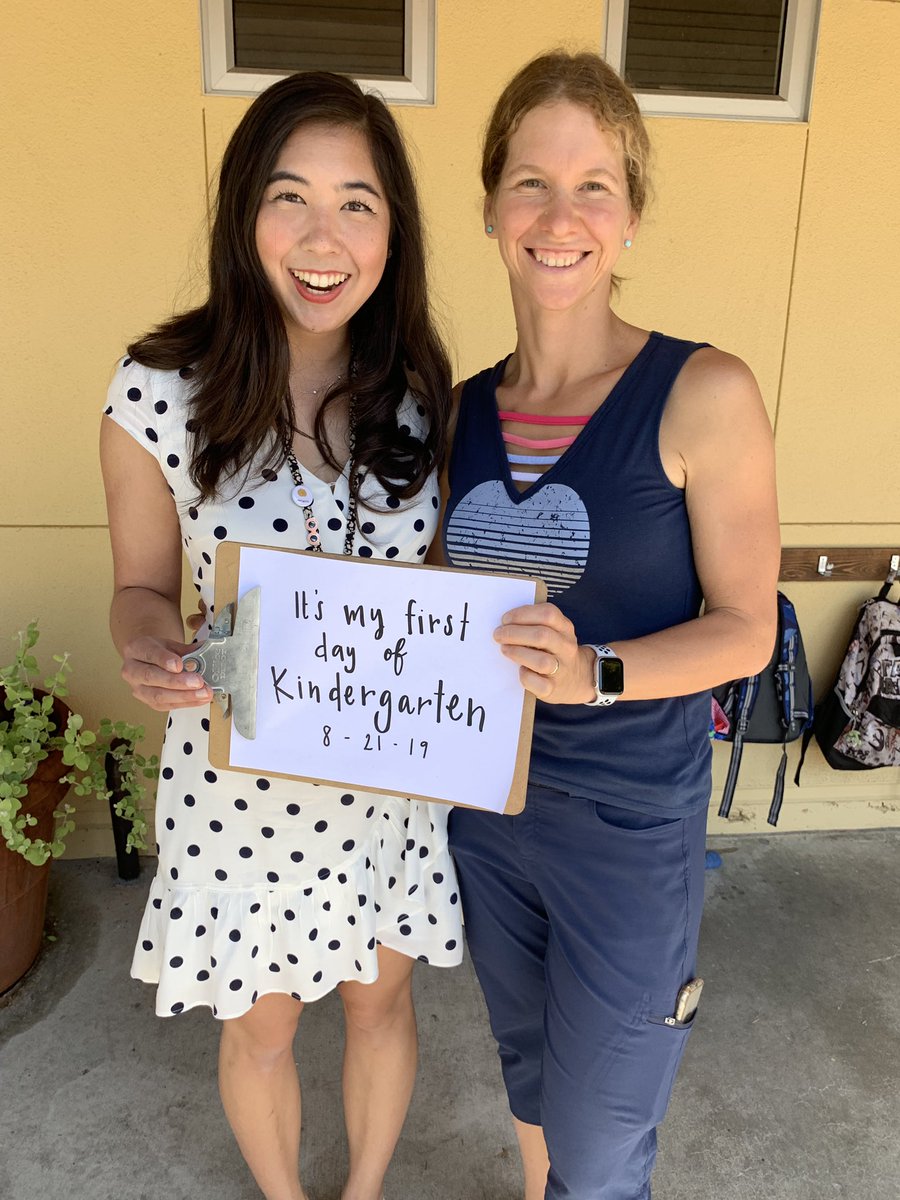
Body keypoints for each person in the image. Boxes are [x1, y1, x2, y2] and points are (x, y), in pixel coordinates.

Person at [100, 71, 460, 1200]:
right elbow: (139, 589)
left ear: (393, 230)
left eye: (357, 203)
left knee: (381, 999)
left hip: (388, 781)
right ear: (243, 214)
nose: (322, 237)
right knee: (260, 1027)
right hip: (239, 791)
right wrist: (151, 645)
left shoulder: (420, 395)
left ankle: (363, 1191)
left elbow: (441, 592)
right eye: (289, 196)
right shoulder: (159, 390)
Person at [437, 51, 781, 1200]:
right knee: (531, 1073)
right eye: (531, 182)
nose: (560, 216)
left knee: (602, 1146)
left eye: (594, 186)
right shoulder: (455, 416)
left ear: (630, 216)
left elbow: (746, 628)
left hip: (629, 828)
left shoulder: (704, 393)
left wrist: (599, 671)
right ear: (492, 207)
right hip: (485, 815)